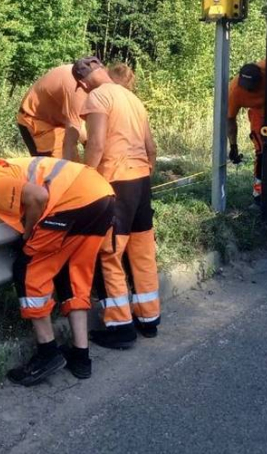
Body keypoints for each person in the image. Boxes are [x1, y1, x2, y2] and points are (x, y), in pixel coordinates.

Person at [0, 156, 114, 385]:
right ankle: (81, 358)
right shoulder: (4, 176)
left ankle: (48, 353)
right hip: (100, 195)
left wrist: (29, 233)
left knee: (27, 271)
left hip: (72, 201)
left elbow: (38, 196)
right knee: (72, 273)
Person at [73, 57, 160, 349]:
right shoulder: (133, 99)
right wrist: (144, 176)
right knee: (142, 250)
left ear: (83, 83)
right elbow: (151, 148)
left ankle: (120, 326)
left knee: (110, 253)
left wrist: (87, 181)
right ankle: (149, 319)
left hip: (116, 182)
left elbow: (95, 144)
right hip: (141, 181)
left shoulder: (97, 96)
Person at [16, 62, 90, 160]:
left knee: (72, 164)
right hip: (36, 121)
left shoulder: (87, 76)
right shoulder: (78, 90)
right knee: (56, 167)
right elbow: (76, 126)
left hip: (57, 122)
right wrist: (89, 145)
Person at [227, 61, 267, 200]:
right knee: (261, 152)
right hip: (258, 113)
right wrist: (233, 146)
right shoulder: (235, 90)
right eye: (246, 87)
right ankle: (259, 193)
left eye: (253, 87)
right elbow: (230, 120)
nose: (249, 91)